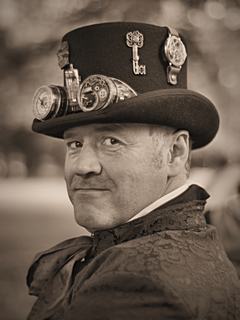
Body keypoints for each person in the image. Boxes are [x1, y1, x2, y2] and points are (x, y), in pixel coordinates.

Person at [27, 22, 240, 320]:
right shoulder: (194, 239)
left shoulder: (136, 286)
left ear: (175, 152)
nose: (82, 166)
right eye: (74, 143)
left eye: (111, 141)